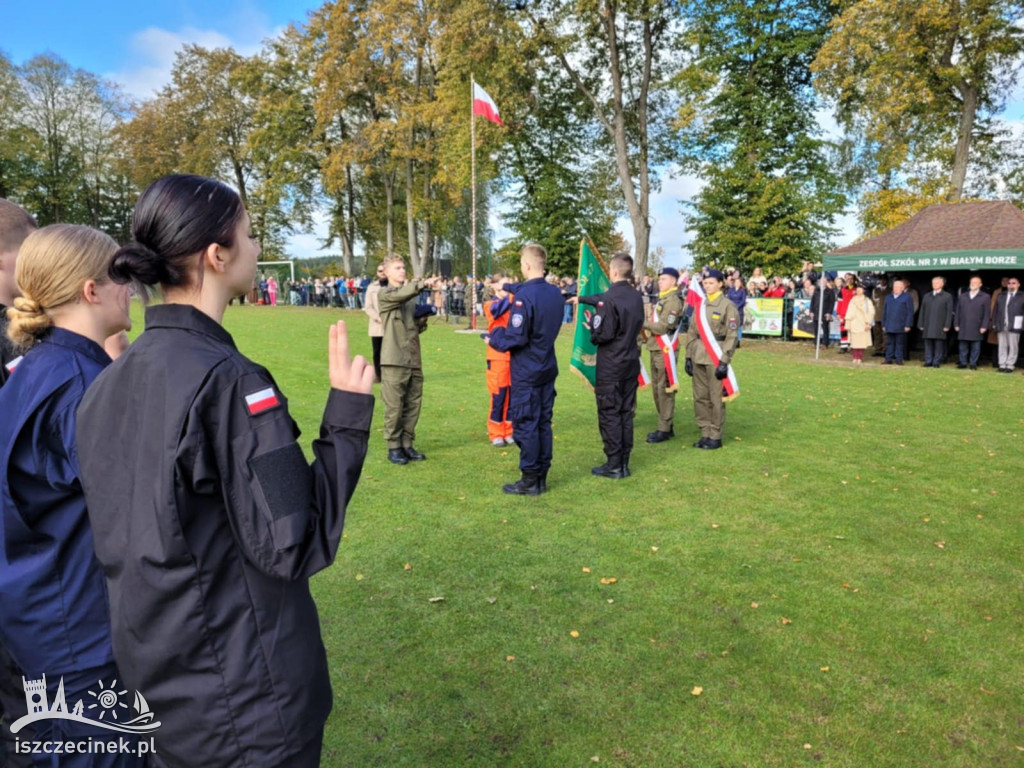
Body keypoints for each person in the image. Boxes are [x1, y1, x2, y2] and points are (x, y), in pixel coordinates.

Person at [75, 174, 375, 768]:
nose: (258, 248)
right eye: (249, 234)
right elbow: (296, 540)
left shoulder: (107, 383)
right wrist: (347, 417)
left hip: (160, 683)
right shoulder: (231, 383)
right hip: (243, 702)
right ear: (217, 255)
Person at [0, 225, 143, 768]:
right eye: (120, 275)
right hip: (81, 634)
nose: (130, 288)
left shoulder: (34, 370)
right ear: (90, 290)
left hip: (41, 614)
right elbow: (138, 515)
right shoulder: (83, 387)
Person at [485, 243, 564, 495]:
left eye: (521, 264)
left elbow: (516, 338)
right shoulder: (554, 293)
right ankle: (541, 474)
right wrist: (505, 286)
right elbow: (528, 289)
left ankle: (530, 478)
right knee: (543, 423)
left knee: (527, 424)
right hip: (547, 366)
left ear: (527, 265)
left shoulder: (523, 299)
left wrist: (494, 337)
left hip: (527, 371)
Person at [576, 253, 645, 479]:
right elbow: (606, 299)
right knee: (626, 413)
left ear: (613, 271)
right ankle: (623, 461)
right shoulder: (636, 297)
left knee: (610, 414)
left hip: (611, 366)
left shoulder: (608, 300)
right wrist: (583, 299)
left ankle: (614, 463)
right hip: (630, 363)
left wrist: (591, 329)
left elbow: (603, 334)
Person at [378, 254, 440, 464]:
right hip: (394, 359)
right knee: (395, 406)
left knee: (413, 404)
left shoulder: (410, 299)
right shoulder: (385, 294)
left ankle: (407, 444)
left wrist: (423, 318)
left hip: (413, 358)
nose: (402, 271)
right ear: (386, 273)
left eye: (403, 267)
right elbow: (400, 295)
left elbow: (413, 329)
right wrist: (421, 284)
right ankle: (393, 446)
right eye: (397, 268)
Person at [684, 269, 739, 449]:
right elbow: (692, 331)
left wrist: (724, 360)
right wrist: (688, 356)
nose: (707, 286)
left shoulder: (727, 305)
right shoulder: (700, 305)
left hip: (716, 356)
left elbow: (732, 335)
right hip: (699, 354)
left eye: (711, 283)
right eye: (705, 283)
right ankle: (704, 432)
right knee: (700, 397)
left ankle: (715, 435)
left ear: (720, 284)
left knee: (715, 398)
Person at [643, 267, 684, 443]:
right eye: (659, 279)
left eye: (664, 279)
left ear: (674, 281)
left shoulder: (673, 302)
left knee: (664, 389)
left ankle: (664, 428)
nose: (660, 282)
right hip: (655, 347)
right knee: (657, 389)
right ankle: (665, 424)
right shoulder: (663, 299)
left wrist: (640, 321)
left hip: (665, 349)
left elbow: (662, 327)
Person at [484, 272, 515, 446]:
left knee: (512, 397)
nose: (508, 288)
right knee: (498, 396)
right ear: (495, 287)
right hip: (498, 357)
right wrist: (513, 294)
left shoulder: (513, 303)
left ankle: (509, 430)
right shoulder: (490, 304)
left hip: (514, 356)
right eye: (504, 285)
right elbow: (497, 311)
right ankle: (496, 432)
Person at [954, 276, 990, 370]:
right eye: (971, 282)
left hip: (977, 325)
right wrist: (956, 324)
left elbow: (987, 313)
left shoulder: (985, 297)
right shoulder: (963, 296)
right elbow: (958, 311)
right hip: (963, 325)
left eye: (975, 282)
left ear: (980, 285)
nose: (973, 284)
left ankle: (973, 363)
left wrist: (984, 326)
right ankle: (963, 362)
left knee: (976, 347)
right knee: (963, 346)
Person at [918, 276, 954, 368]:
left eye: (937, 283)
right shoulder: (927, 296)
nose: (934, 285)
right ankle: (928, 360)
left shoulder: (947, 296)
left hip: (940, 324)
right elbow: (922, 310)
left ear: (942, 284)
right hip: (928, 323)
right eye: (933, 283)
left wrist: (947, 325)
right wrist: (920, 323)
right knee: (928, 343)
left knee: (939, 344)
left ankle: (936, 361)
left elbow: (949, 312)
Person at [992, 277, 1023, 373]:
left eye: (1014, 283)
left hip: (1015, 325)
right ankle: (1002, 364)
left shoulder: (1022, 296)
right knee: (1002, 345)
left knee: (1013, 346)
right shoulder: (1001, 295)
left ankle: (1010, 365)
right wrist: (994, 323)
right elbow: (995, 311)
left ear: (1018, 285)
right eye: (1009, 283)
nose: (1011, 285)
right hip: (1001, 324)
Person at [881, 278, 914, 364]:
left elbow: (910, 312)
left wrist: (908, 324)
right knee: (889, 343)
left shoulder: (907, 297)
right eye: (894, 286)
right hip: (889, 324)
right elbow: (884, 311)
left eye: (897, 287)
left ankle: (899, 359)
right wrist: (883, 324)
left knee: (899, 343)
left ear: (902, 288)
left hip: (901, 324)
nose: (895, 288)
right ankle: (888, 359)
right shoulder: (888, 297)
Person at [363, 262, 386, 383]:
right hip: (377, 325)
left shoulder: (394, 286)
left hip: (391, 324)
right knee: (377, 351)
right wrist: (378, 318)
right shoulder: (372, 287)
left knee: (391, 352)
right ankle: (379, 374)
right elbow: (368, 307)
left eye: (384, 270)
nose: (382, 273)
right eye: (380, 271)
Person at [844, 283, 874, 364]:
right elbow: (849, 312)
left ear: (863, 290)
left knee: (861, 342)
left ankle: (859, 357)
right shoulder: (852, 300)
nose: (858, 291)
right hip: (854, 323)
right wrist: (848, 323)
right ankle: (854, 357)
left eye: (860, 289)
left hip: (863, 323)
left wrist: (868, 323)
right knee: (854, 342)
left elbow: (871, 312)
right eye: (857, 289)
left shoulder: (867, 301)